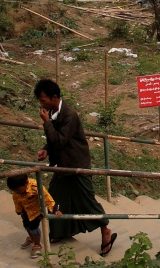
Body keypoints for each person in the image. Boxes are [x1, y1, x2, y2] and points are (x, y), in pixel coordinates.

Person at [34, 79, 118, 256]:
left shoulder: (70, 115)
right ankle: (61, 230)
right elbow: (55, 140)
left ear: (54, 97)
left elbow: (59, 140)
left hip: (77, 165)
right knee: (56, 196)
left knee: (86, 201)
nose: (42, 104)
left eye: (43, 100)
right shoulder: (54, 112)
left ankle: (105, 230)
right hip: (64, 165)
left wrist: (46, 123)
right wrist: (45, 149)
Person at [8, 173, 63, 259]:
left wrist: (55, 210)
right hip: (25, 211)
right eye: (14, 190)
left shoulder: (36, 187)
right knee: (26, 225)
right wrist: (19, 211)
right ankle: (32, 238)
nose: (16, 192)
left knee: (34, 228)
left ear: (26, 183)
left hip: (36, 211)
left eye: (18, 190)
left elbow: (47, 198)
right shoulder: (16, 190)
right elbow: (16, 200)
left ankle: (37, 245)